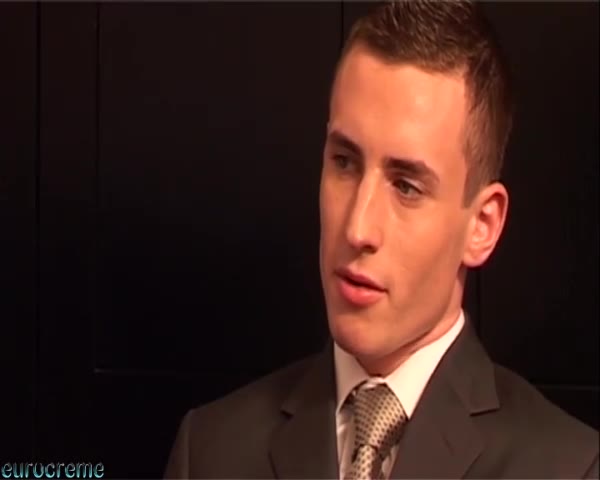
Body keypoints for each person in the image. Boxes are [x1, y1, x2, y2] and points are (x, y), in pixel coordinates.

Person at [164, 1, 599, 478]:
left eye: (406, 186)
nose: (357, 229)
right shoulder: (208, 453)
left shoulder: (572, 469)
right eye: (344, 162)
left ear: (482, 225)